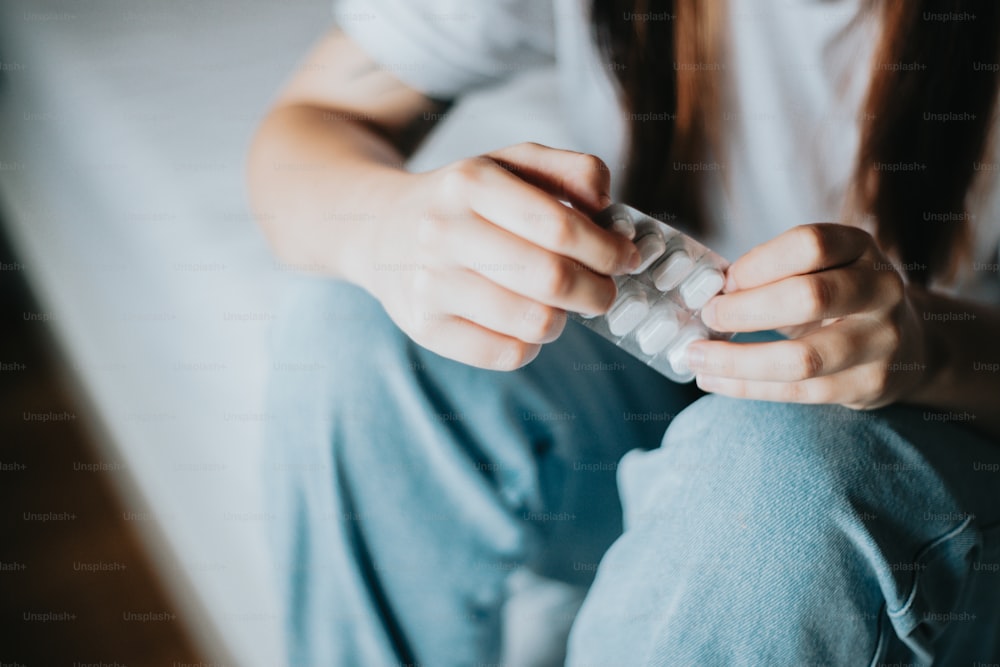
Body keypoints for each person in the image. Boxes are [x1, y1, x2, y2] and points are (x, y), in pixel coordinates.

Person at [247, 0, 1000, 664]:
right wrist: (386, 224)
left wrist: (930, 346)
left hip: (947, 430)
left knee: (774, 477)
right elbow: (313, 123)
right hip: (653, 401)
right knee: (351, 325)